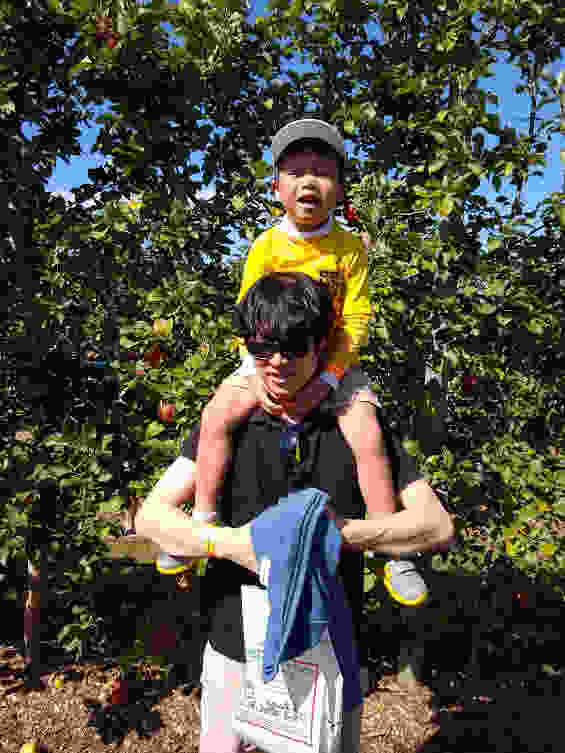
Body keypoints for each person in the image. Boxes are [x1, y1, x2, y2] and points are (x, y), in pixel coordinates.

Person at [135, 272, 454, 753]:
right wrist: (234, 544)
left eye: (294, 348)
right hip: (233, 649)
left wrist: (334, 534)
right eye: (262, 349)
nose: (278, 363)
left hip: (328, 652)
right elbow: (152, 517)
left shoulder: (353, 421)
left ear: (321, 345)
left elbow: (436, 524)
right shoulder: (232, 422)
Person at [157, 117, 429, 607]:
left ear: (340, 188)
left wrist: (329, 378)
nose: (309, 182)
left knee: (366, 431)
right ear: (277, 187)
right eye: (297, 171)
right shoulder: (266, 246)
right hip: (265, 360)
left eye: (322, 172)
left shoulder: (348, 248)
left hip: (331, 362)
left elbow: (357, 318)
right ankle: (201, 526)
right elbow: (246, 314)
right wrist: (253, 372)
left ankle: (392, 547)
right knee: (216, 416)